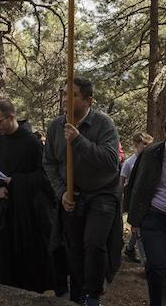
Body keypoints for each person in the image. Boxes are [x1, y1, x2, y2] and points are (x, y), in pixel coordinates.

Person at [43, 78, 121, 306]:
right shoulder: (55, 127)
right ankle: (78, 295)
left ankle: (93, 295)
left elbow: (110, 161)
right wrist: (62, 192)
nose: (65, 99)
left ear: (89, 100)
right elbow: (49, 163)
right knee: (74, 248)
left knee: (94, 243)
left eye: (73, 95)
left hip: (102, 193)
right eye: (63, 93)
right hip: (72, 195)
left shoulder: (103, 124)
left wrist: (78, 140)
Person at [0, 100, 57, 293]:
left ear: (11, 117)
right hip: (5, 204)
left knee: (27, 254)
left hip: (27, 209)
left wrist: (15, 181)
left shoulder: (32, 142)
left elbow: (43, 176)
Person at [124, 116, 166, 306]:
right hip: (155, 215)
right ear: (164, 134)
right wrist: (134, 220)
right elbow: (136, 184)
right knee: (156, 267)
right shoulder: (151, 153)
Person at [121, 132, 154, 263]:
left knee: (140, 226)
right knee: (137, 227)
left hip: (147, 198)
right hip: (133, 198)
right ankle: (145, 261)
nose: (146, 147)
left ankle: (129, 248)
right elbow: (122, 182)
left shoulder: (151, 160)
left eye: (148, 144)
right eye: (143, 144)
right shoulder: (129, 163)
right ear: (136, 145)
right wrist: (121, 200)